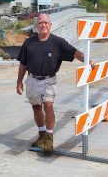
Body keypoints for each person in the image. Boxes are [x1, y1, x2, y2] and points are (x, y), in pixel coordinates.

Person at [16, 13, 94, 151]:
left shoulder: (58, 42)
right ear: (36, 26)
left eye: (46, 22)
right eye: (40, 23)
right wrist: (19, 82)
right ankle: (41, 136)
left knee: (48, 105)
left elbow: (75, 52)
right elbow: (23, 64)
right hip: (32, 80)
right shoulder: (29, 43)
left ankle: (49, 139)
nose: (43, 25)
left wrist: (88, 60)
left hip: (49, 80)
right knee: (36, 108)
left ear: (50, 25)